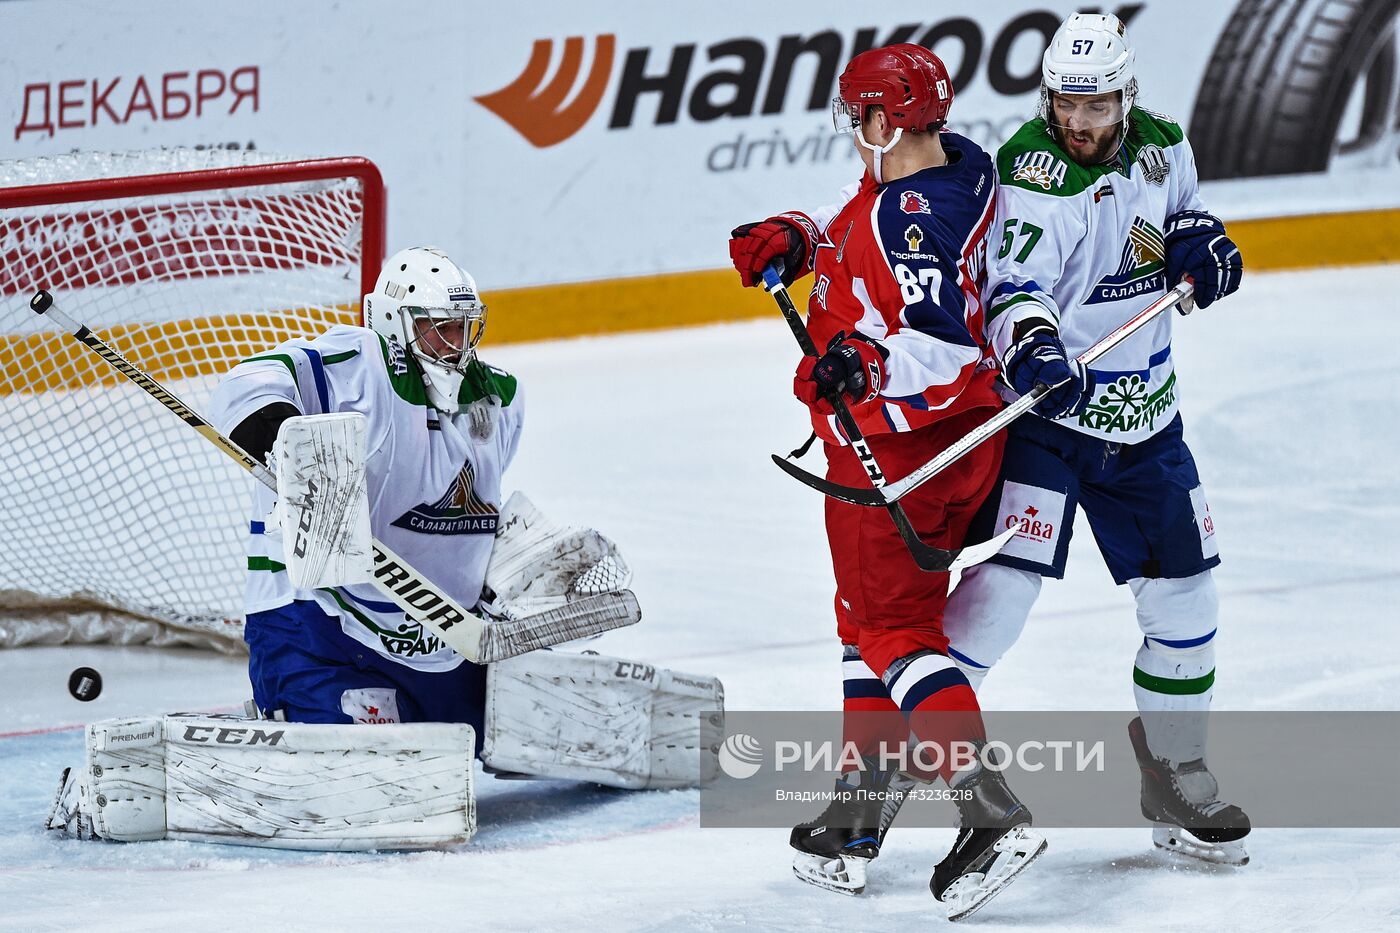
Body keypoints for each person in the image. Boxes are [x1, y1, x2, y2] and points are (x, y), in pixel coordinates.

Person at [45, 247, 722, 850]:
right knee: (393, 781)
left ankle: (766, 764)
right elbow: (248, 382)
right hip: (318, 623)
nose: (455, 342)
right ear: (398, 324)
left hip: (439, 640)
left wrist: (511, 571)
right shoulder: (359, 365)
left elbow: (461, 516)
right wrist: (292, 445)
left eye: (463, 326)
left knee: (503, 733)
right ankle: (150, 771)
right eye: (437, 327)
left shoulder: (499, 401)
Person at [730, 45, 1044, 919]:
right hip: (959, 446)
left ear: (880, 121)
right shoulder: (963, 168)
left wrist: (864, 362)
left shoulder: (906, 217)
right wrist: (801, 236)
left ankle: (989, 811)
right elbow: (874, 228)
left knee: (896, 631)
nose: (854, 130)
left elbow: (937, 342)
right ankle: (860, 808)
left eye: (858, 115)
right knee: (867, 619)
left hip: (895, 456)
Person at [940, 13, 1250, 865]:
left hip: (1149, 422)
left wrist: (1204, 243)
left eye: (1097, 103)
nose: (1080, 121)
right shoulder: (1029, 172)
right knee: (1001, 598)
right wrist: (1036, 345)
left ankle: (1176, 771)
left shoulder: (1163, 146)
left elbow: (1184, 215)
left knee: (1188, 597)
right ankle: (911, 741)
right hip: (1053, 424)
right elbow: (1013, 285)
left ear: (1127, 94)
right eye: (1067, 102)